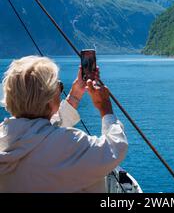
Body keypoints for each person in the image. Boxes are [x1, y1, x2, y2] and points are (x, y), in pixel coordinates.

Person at [0, 55, 128, 193]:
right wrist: (105, 108)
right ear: (48, 98)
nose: (60, 91)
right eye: (59, 86)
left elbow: (39, 134)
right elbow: (115, 147)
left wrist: (75, 94)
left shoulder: (6, 137)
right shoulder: (70, 145)